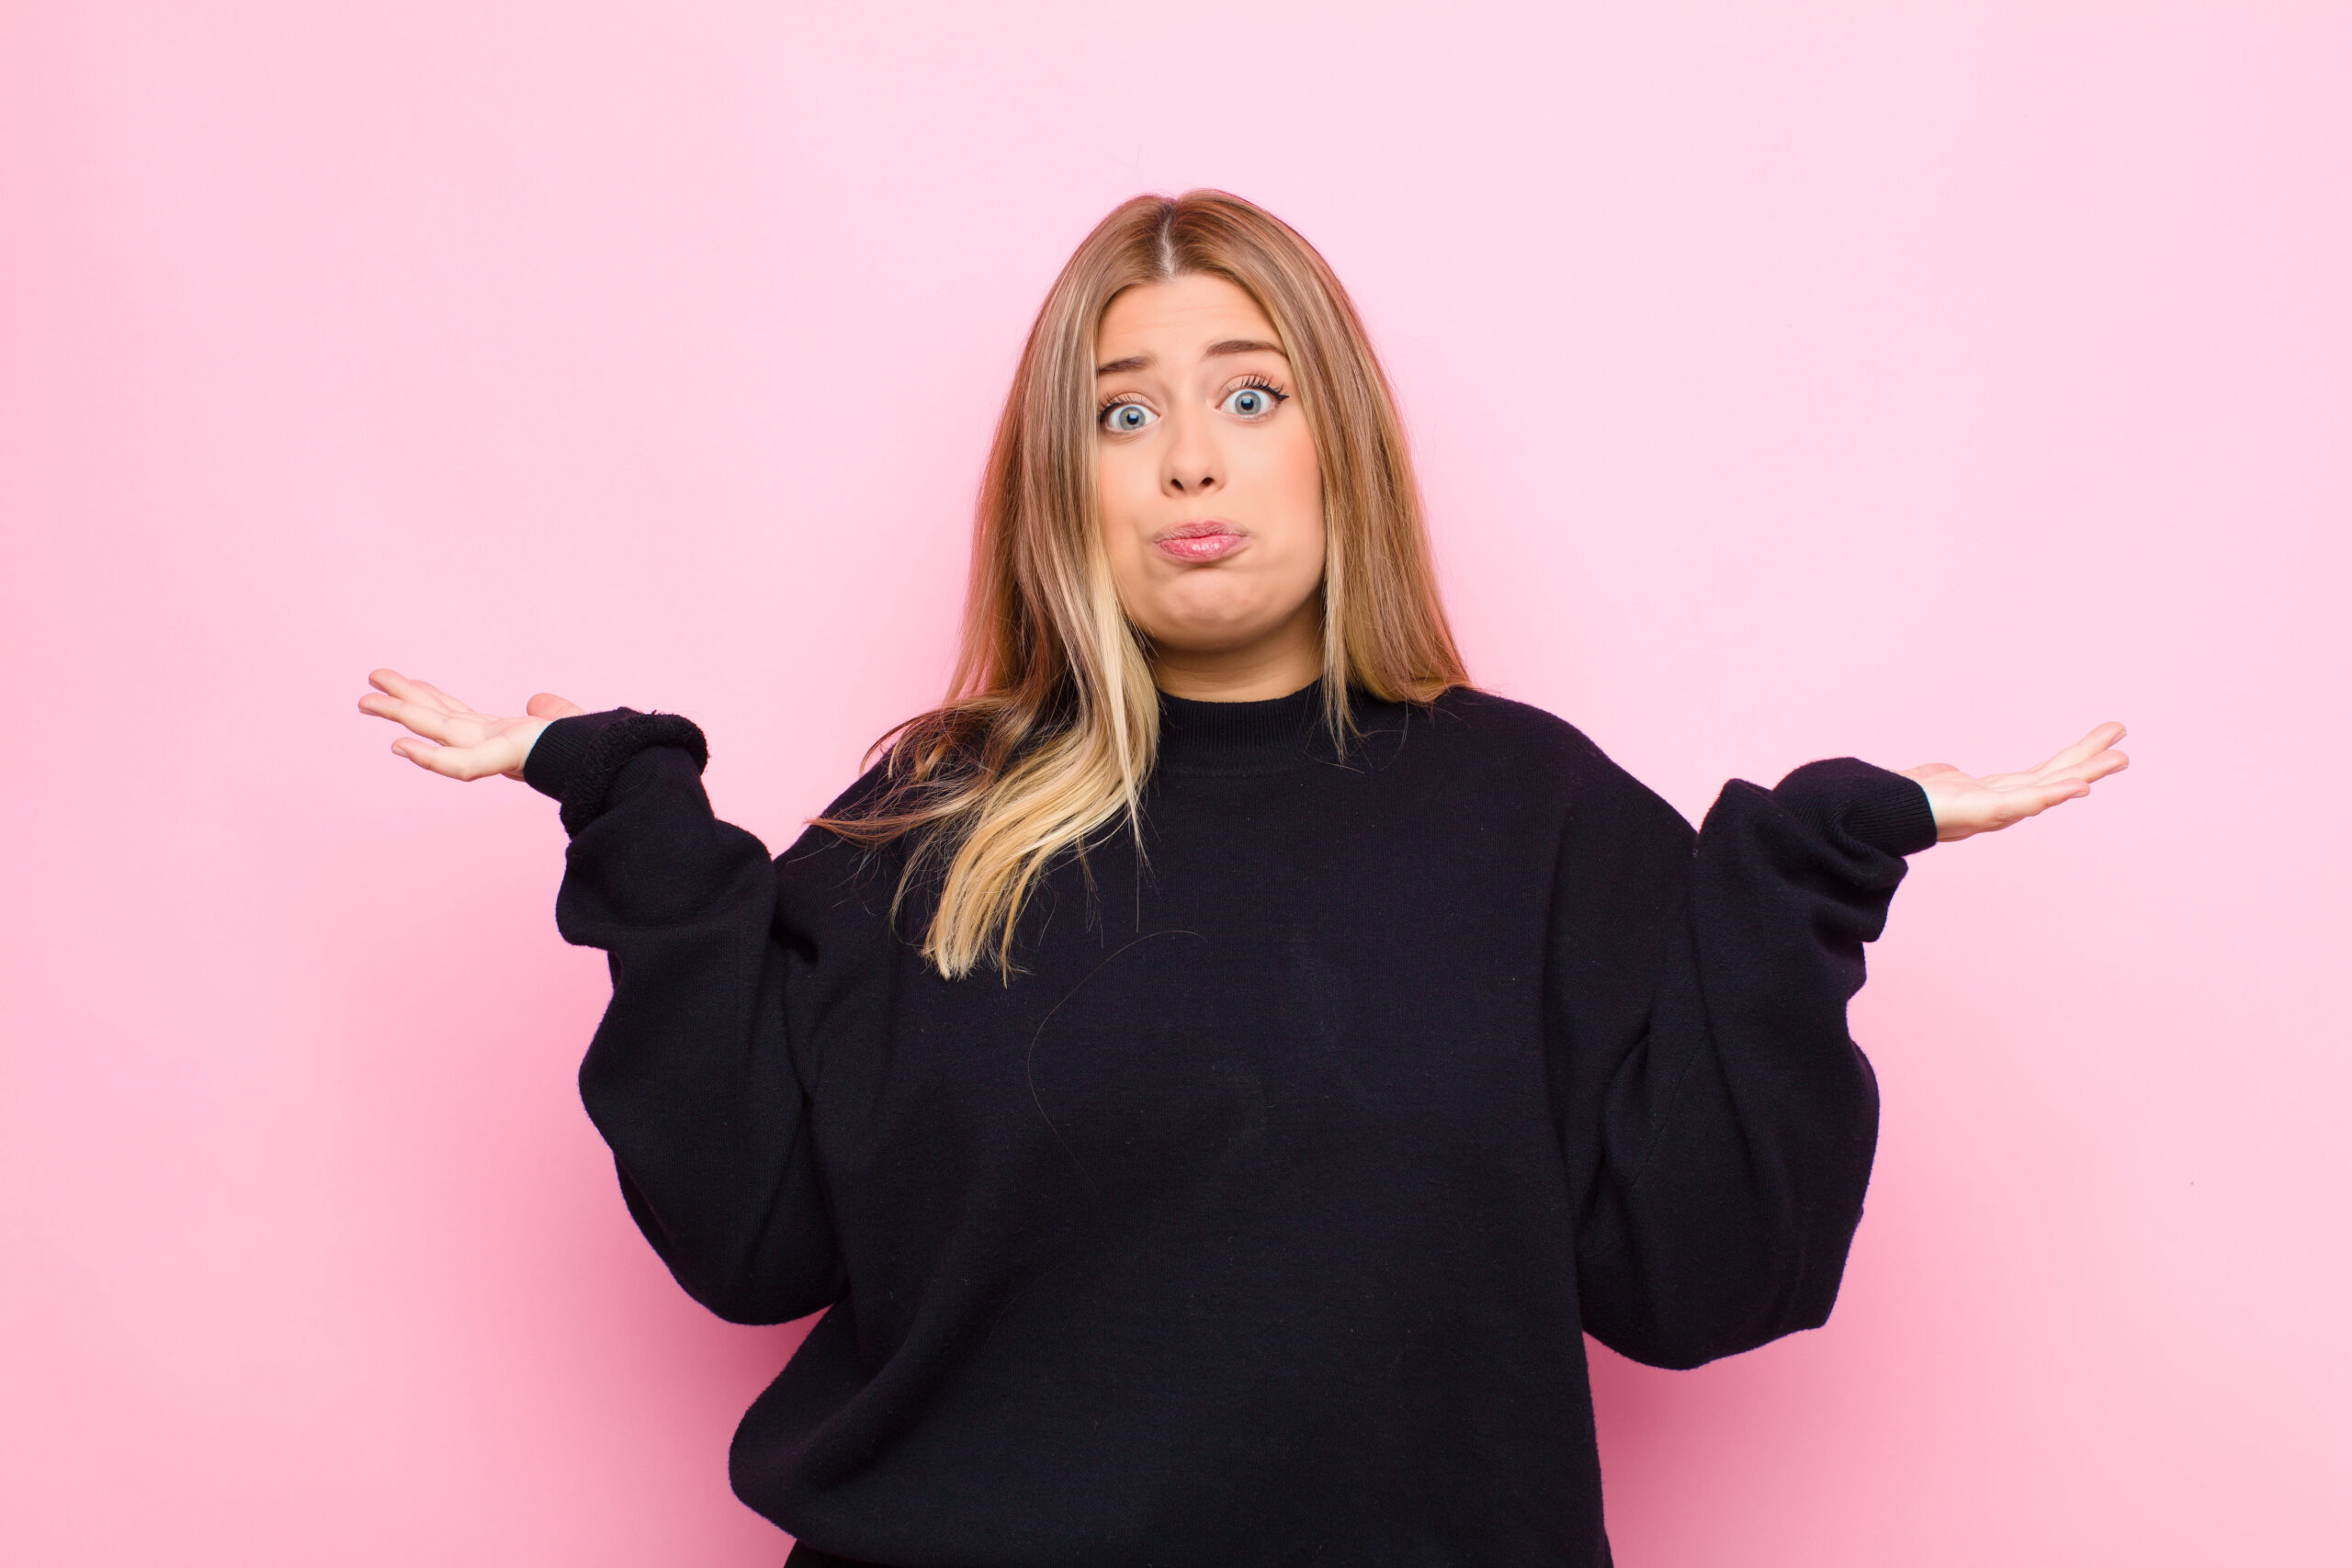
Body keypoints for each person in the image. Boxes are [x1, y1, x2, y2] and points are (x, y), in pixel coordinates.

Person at [357, 191, 2125, 1567]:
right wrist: (637, 826)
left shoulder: (1537, 814)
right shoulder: (938, 811)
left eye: (1249, 395)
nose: (1190, 457)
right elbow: (755, 1242)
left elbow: (1703, 1282)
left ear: (1334, 441)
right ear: (1068, 485)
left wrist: (1807, 876)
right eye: (1124, 415)